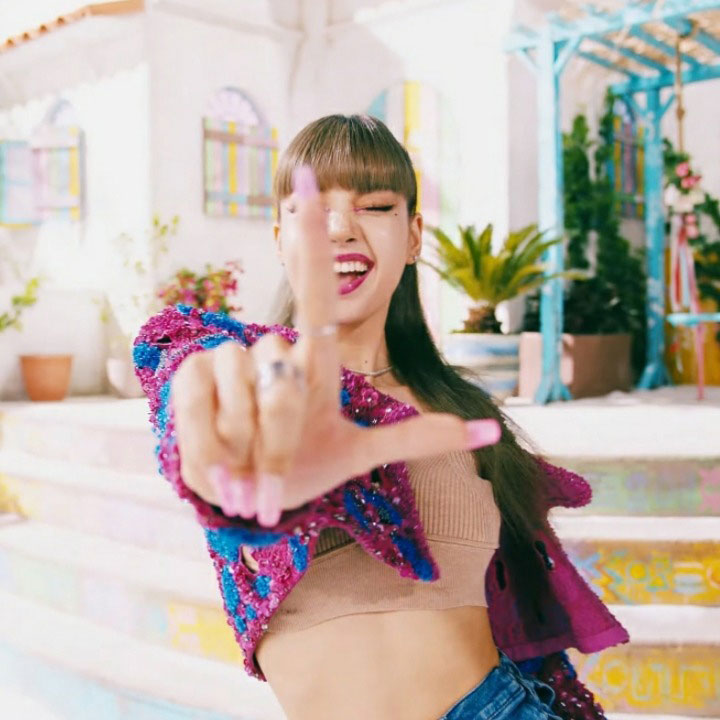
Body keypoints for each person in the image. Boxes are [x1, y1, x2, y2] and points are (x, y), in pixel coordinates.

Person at [133, 114, 626, 720]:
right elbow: (193, 396)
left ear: (413, 235)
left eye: (374, 206)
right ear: (280, 238)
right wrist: (222, 440)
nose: (340, 228)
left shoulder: (463, 414)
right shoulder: (252, 373)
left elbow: (525, 631)